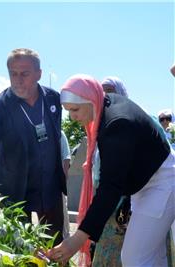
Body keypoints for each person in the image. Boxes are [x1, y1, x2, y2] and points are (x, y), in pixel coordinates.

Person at [46, 74, 174, 267]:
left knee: (135, 258)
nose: (72, 117)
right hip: (147, 183)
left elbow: (110, 187)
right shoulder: (106, 105)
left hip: (161, 183)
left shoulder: (116, 124)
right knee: (152, 257)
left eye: (75, 109)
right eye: (68, 111)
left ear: (90, 100)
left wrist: (78, 238)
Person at [0, 48, 66, 242]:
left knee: (56, 242)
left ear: (38, 74)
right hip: (15, 187)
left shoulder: (53, 99)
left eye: (24, 74)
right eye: (13, 74)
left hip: (49, 184)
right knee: (17, 244)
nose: (18, 80)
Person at [89, 76, 130, 267]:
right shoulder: (99, 126)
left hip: (125, 202)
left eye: (110, 90)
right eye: (102, 91)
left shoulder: (126, 122)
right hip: (104, 198)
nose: (106, 96)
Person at [60, 131, 71, 239]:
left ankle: (65, 239)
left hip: (57, 182)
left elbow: (66, 158)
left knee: (62, 212)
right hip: (42, 184)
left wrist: (63, 181)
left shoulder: (60, 133)